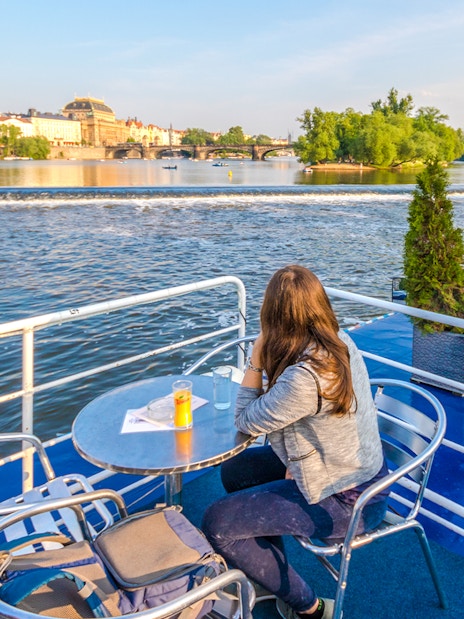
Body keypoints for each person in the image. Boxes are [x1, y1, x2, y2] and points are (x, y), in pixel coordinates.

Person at [202, 265, 389, 619]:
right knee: (236, 471)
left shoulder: (306, 376)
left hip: (348, 502)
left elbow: (246, 420)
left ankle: (312, 609)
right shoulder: (338, 340)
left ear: (272, 315)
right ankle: (267, 571)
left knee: (217, 523)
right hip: (355, 472)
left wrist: (256, 360)